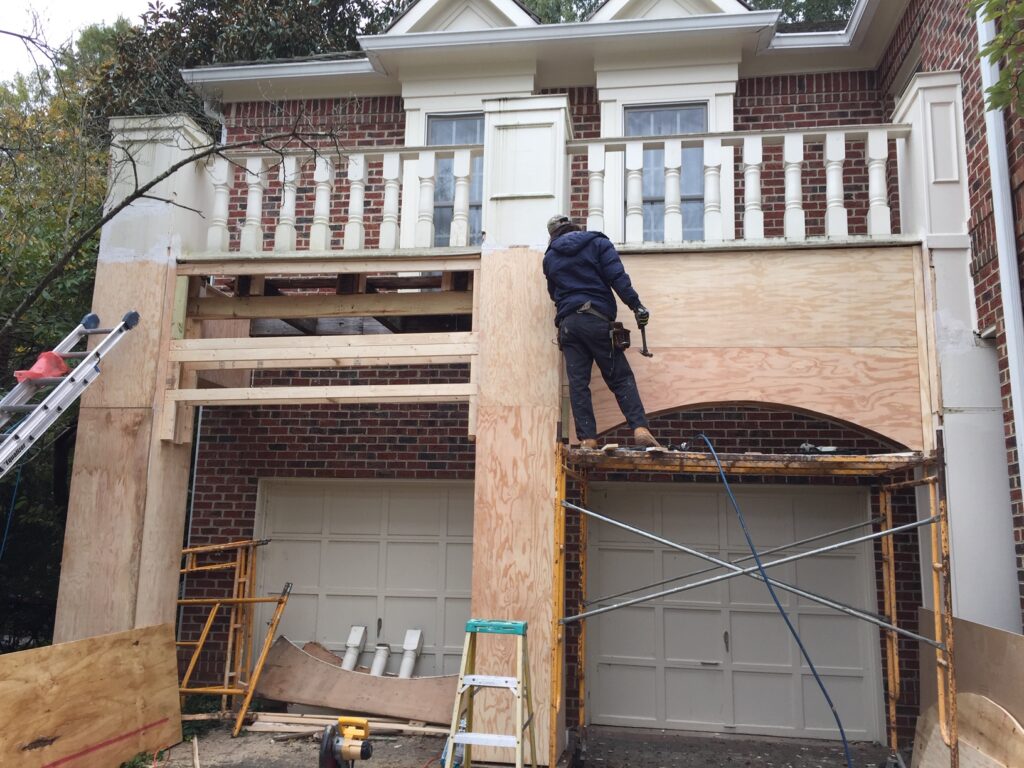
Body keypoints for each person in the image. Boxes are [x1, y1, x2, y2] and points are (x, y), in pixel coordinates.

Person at [542, 214, 661, 450]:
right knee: (620, 378)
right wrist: (636, 306)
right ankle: (640, 428)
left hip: (569, 326)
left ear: (553, 235)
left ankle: (588, 439)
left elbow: (554, 294)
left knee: (578, 384)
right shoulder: (597, 243)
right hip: (596, 320)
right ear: (574, 227)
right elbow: (618, 279)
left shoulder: (550, 258)